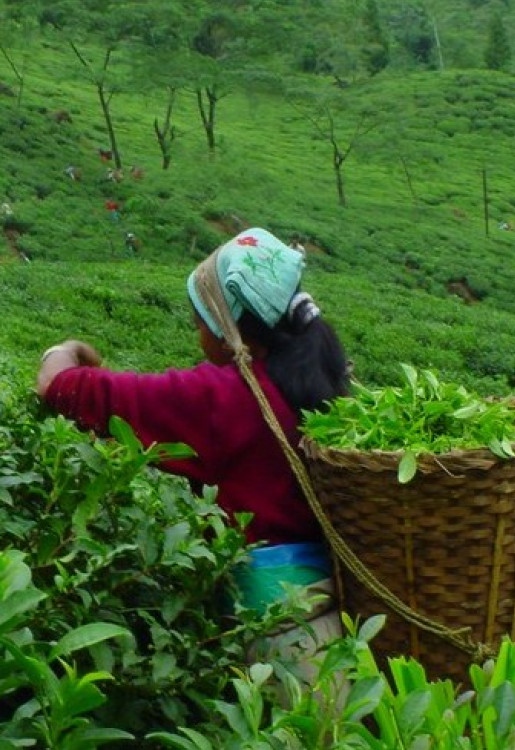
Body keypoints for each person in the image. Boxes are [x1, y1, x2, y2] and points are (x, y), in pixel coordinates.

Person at [36, 227, 351, 687]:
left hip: (279, 637)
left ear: (230, 328)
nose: (196, 332)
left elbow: (58, 387)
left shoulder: (226, 397)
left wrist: (65, 351)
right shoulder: (322, 380)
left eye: (200, 319)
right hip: (336, 614)